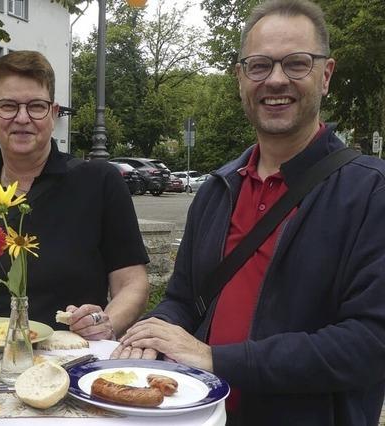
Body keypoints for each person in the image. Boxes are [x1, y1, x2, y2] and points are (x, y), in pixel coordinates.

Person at [112, 0, 385, 424]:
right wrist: (150, 331)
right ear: (241, 78)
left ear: (326, 75)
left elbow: (370, 342)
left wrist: (215, 358)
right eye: (259, 66)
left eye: (296, 63)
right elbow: (186, 299)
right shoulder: (218, 189)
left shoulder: (371, 191)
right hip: (202, 416)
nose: (276, 80)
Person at [0, 50, 149, 340]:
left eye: (36, 106)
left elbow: (133, 283)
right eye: (9, 106)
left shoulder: (99, 182)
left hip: (76, 356)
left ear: (53, 113)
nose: (22, 118)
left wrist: (106, 321)